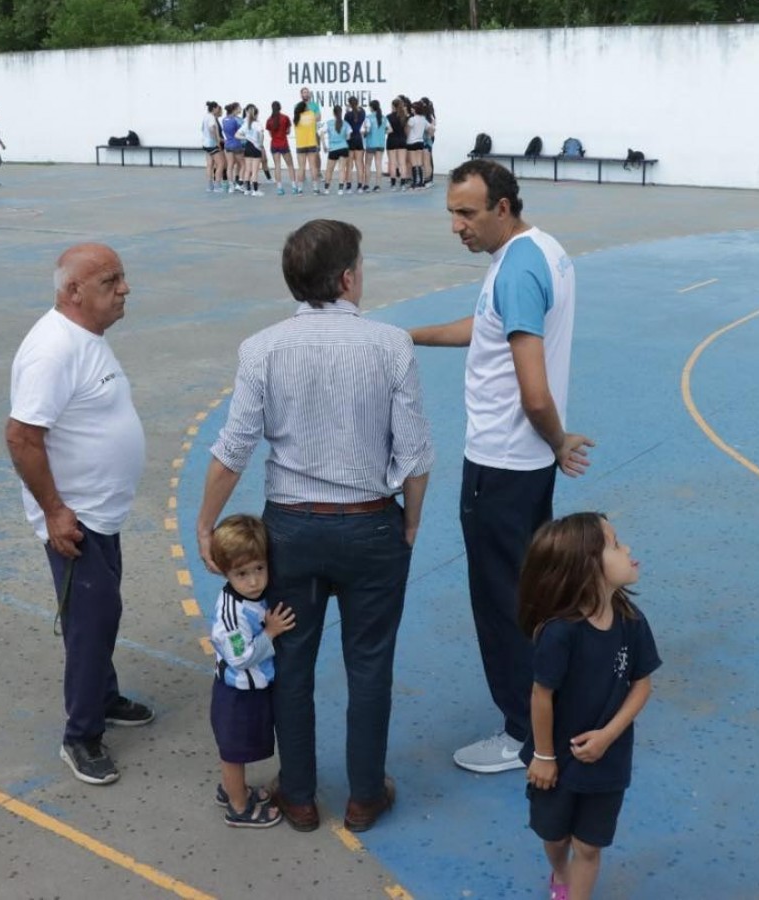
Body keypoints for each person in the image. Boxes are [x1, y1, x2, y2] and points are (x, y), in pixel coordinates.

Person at [197, 219, 434, 834]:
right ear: (349, 277)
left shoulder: (261, 348)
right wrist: (408, 525)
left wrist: (206, 524)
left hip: (292, 533)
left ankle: (298, 795)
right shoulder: (390, 345)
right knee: (369, 664)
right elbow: (414, 454)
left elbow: (235, 446)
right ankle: (363, 796)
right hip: (369, 527)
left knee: (292, 660)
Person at [409, 159, 594, 775]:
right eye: (451, 214)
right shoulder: (540, 252)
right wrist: (410, 335)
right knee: (530, 590)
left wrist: (559, 440)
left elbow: (533, 392)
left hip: (502, 465)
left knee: (501, 602)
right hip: (525, 465)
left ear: (504, 207)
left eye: (467, 213)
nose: (457, 227)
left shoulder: (515, 271)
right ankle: (543, 704)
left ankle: (523, 732)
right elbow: (485, 329)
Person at [6, 243, 156, 787]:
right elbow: (22, 437)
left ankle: (104, 695)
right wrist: (54, 513)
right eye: (111, 280)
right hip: (76, 521)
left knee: (100, 615)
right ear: (73, 292)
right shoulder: (52, 350)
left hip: (101, 513)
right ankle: (82, 735)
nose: (125, 289)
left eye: (123, 276)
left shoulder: (87, 337)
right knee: (91, 623)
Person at [519, 513, 660, 900]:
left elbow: (642, 685)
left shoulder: (631, 620)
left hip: (607, 760)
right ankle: (560, 874)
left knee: (589, 846)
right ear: (587, 567)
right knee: (554, 835)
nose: (627, 548)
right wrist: (545, 756)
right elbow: (541, 695)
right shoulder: (560, 633)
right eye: (615, 544)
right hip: (558, 758)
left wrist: (608, 736)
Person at [207, 514, 297, 828]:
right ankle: (239, 806)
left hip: (251, 691)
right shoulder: (231, 613)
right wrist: (270, 633)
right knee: (234, 752)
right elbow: (241, 656)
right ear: (225, 571)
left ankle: (236, 791)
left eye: (259, 569)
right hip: (236, 695)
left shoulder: (254, 597)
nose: (254, 581)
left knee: (240, 748)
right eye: (242, 573)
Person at [265, 100, 296, 196]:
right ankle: (294, 187)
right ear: (280, 107)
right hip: (283, 144)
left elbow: (270, 134)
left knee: (277, 165)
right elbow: (288, 132)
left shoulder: (269, 120)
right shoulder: (285, 118)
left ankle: (279, 188)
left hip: (274, 144)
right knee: (290, 165)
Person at [292, 97, 322, 195]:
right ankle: (315, 189)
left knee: (301, 167)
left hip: (300, 145)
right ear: (305, 108)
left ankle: (300, 190)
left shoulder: (296, 118)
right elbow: (319, 116)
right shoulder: (311, 115)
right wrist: (311, 108)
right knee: (313, 167)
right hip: (311, 144)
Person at [322, 103, 350, 195]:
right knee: (342, 169)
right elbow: (348, 137)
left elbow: (321, 133)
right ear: (341, 113)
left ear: (333, 113)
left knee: (329, 169)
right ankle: (340, 189)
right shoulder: (346, 123)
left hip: (333, 149)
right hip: (343, 148)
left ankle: (326, 189)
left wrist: (324, 146)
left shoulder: (329, 123)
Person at [238, 103, 265, 196]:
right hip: (256, 148)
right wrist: (260, 144)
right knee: (255, 171)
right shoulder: (257, 124)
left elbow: (236, 135)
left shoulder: (246, 124)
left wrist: (246, 137)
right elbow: (261, 134)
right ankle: (255, 191)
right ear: (256, 114)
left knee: (247, 170)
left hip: (248, 147)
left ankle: (247, 190)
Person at [343, 95, 366, 194]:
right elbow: (360, 110)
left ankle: (348, 187)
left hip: (350, 139)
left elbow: (345, 126)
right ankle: (360, 186)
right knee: (359, 163)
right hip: (358, 139)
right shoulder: (362, 113)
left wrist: (347, 110)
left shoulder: (348, 115)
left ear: (349, 104)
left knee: (349, 165)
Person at [385, 97, 408, 191]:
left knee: (393, 163)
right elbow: (406, 130)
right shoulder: (405, 117)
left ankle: (393, 184)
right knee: (402, 163)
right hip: (402, 140)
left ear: (393, 106)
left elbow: (388, 130)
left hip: (392, 140)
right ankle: (403, 184)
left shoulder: (389, 117)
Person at [364, 100, 386, 193]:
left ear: (371, 107)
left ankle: (367, 185)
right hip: (380, 143)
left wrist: (364, 134)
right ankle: (378, 186)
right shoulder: (384, 118)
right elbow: (390, 130)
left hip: (371, 143)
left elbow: (367, 130)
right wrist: (381, 133)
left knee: (368, 165)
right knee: (378, 164)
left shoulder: (368, 118)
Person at [201, 101, 224, 192]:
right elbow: (212, 129)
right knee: (220, 164)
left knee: (209, 165)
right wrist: (217, 140)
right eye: (218, 108)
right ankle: (217, 185)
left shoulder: (205, 117)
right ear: (214, 108)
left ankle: (210, 186)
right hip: (212, 144)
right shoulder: (211, 118)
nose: (218, 110)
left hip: (205, 143)